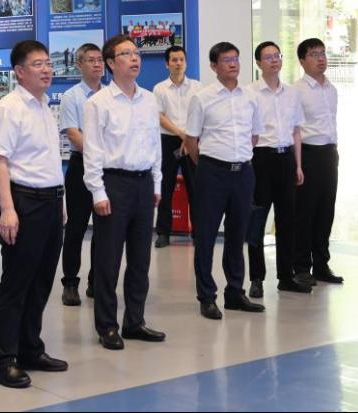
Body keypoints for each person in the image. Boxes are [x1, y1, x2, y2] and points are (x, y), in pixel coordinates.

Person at [0, 40, 68, 388]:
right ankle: (3, 361)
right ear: (19, 72)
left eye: (48, 63)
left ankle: (30, 349)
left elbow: (48, 161)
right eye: (38, 64)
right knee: (16, 284)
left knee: (41, 282)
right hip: (24, 202)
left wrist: (60, 202)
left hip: (50, 202)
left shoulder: (44, 105)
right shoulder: (10, 108)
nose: (47, 69)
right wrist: (8, 209)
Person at [83, 35, 165, 350]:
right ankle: (107, 326)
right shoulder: (98, 103)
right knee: (108, 260)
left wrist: (157, 184)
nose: (134, 58)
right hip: (113, 185)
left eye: (136, 53)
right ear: (110, 63)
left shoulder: (149, 100)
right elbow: (92, 151)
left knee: (141, 259)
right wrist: (98, 192)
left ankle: (135, 321)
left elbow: (154, 146)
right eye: (126, 54)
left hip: (144, 184)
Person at [184, 42, 264, 320]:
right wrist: (210, 165)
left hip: (243, 172)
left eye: (236, 59)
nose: (233, 64)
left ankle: (235, 293)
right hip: (212, 172)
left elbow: (254, 136)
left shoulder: (251, 97)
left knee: (237, 234)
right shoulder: (202, 98)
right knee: (206, 235)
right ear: (214, 66)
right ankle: (207, 296)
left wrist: (237, 159)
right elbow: (191, 140)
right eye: (227, 60)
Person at [246, 41, 311, 298]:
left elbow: (296, 132)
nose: (274, 60)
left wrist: (298, 165)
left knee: (287, 221)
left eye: (277, 55)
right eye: (268, 57)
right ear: (258, 63)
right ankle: (257, 278)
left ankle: (286, 276)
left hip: (286, 159)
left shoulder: (292, 93)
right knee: (257, 220)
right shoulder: (250, 93)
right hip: (261, 159)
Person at [294, 38, 344, 285]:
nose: (321, 58)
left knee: (326, 210)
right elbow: (294, 130)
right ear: (302, 61)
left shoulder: (331, 89)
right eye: (314, 54)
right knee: (305, 212)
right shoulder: (297, 91)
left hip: (329, 153)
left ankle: (321, 265)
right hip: (308, 154)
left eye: (323, 53)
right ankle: (302, 266)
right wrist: (297, 164)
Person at [58, 43, 104, 306]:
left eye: (100, 60)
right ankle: (70, 283)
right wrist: (103, 153)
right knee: (76, 228)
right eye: (90, 60)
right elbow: (74, 135)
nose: (97, 64)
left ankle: (96, 282)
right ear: (79, 64)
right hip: (81, 166)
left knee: (104, 229)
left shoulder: (110, 95)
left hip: (107, 169)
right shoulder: (72, 96)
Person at [152, 45, 200, 247]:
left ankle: (198, 232)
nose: (178, 63)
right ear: (167, 64)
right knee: (166, 187)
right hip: (169, 140)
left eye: (181, 59)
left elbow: (200, 114)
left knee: (196, 188)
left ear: (186, 62)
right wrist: (181, 134)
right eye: (174, 60)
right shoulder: (159, 88)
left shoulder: (197, 87)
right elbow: (159, 116)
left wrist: (189, 137)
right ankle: (163, 232)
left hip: (193, 140)